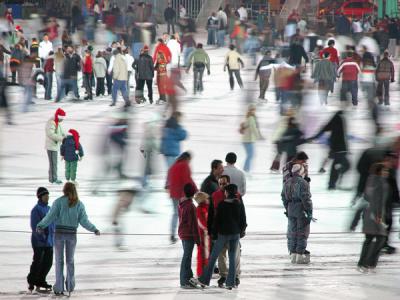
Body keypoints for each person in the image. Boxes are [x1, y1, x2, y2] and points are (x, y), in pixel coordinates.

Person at [36, 183, 100, 296]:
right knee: (70, 261)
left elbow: (50, 217)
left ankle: (59, 287)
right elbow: (84, 221)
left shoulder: (58, 202)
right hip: (71, 235)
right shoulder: (79, 204)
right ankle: (70, 286)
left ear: (64, 190)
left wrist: (41, 226)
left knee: (59, 261)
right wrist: (94, 229)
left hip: (59, 234)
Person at [193, 183, 247, 290]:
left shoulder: (222, 204)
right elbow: (243, 219)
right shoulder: (239, 204)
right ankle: (230, 283)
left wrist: (213, 233)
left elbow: (217, 221)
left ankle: (204, 280)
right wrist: (240, 231)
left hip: (223, 234)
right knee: (232, 258)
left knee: (213, 257)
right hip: (235, 235)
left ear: (227, 193)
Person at [357, 163, 389, 272]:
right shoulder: (381, 182)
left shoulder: (370, 180)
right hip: (376, 215)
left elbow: (366, 197)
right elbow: (379, 200)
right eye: (385, 171)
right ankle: (369, 263)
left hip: (368, 213)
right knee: (381, 238)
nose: (386, 173)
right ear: (380, 171)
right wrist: (379, 215)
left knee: (369, 239)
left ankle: (362, 263)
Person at [308, 111, 349, 190]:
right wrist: (314, 137)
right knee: (341, 165)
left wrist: (314, 137)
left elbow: (323, 130)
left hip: (337, 148)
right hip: (339, 149)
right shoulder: (338, 120)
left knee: (338, 165)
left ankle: (332, 183)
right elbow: (325, 130)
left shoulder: (335, 121)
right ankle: (331, 184)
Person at [282, 164, 313, 264]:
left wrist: (287, 208)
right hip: (301, 210)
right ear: (300, 171)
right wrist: (309, 212)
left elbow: (283, 197)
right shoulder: (303, 183)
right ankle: (299, 255)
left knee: (292, 232)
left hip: (291, 209)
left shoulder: (287, 182)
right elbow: (306, 199)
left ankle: (293, 254)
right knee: (302, 232)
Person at [166, 152, 197, 244]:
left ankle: (172, 234)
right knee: (186, 214)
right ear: (187, 158)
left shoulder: (173, 166)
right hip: (182, 194)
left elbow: (168, 179)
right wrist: (195, 190)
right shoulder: (185, 165)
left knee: (176, 213)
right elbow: (188, 180)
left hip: (173, 193)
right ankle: (186, 234)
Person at [27, 187, 54, 292]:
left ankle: (41, 280)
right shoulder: (36, 209)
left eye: (48, 195)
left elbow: (54, 224)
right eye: (45, 195)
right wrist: (42, 237)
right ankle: (32, 280)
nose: (47, 197)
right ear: (40, 197)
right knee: (38, 262)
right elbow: (35, 226)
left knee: (48, 262)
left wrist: (53, 237)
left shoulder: (50, 209)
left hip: (50, 241)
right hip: (39, 242)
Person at [178, 183, 200, 289]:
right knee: (186, 258)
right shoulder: (191, 206)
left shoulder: (182, 203)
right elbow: (193, 224)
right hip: (188, 235)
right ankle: (184, 281)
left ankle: (189, 278)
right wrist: (198, 238)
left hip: (183, 233)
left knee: (187, 257)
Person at [45, 108, 66, 184]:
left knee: (54, 163)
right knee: (53, 163)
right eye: (62, 118)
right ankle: (53, 179)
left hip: (55, 146)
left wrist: (66, 136)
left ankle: (53, 178)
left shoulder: (57, 123)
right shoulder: (51, 123)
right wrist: (61, 139)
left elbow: (61, 132)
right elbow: (50, 134)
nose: (62, 120)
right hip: (51, 146)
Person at [240, 104, 262, 173]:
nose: (254, 111)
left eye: (254, 110)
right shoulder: (251, 118)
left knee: (250, 155)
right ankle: (246, 169)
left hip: (247, 139)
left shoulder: (248, 117)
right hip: (248, 140)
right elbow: (253, 128)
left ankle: (246, 168)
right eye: (253, 110)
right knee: (250, 155)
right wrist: (258, 136)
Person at [194, 192, 210, 277]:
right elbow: (202, 223)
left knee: (205, 255)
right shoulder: (200, 209)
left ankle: (204, 273)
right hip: (203, 236)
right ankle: (201, 274)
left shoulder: (205, 208)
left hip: (206, 235)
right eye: (207, 198)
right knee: (202, 255)